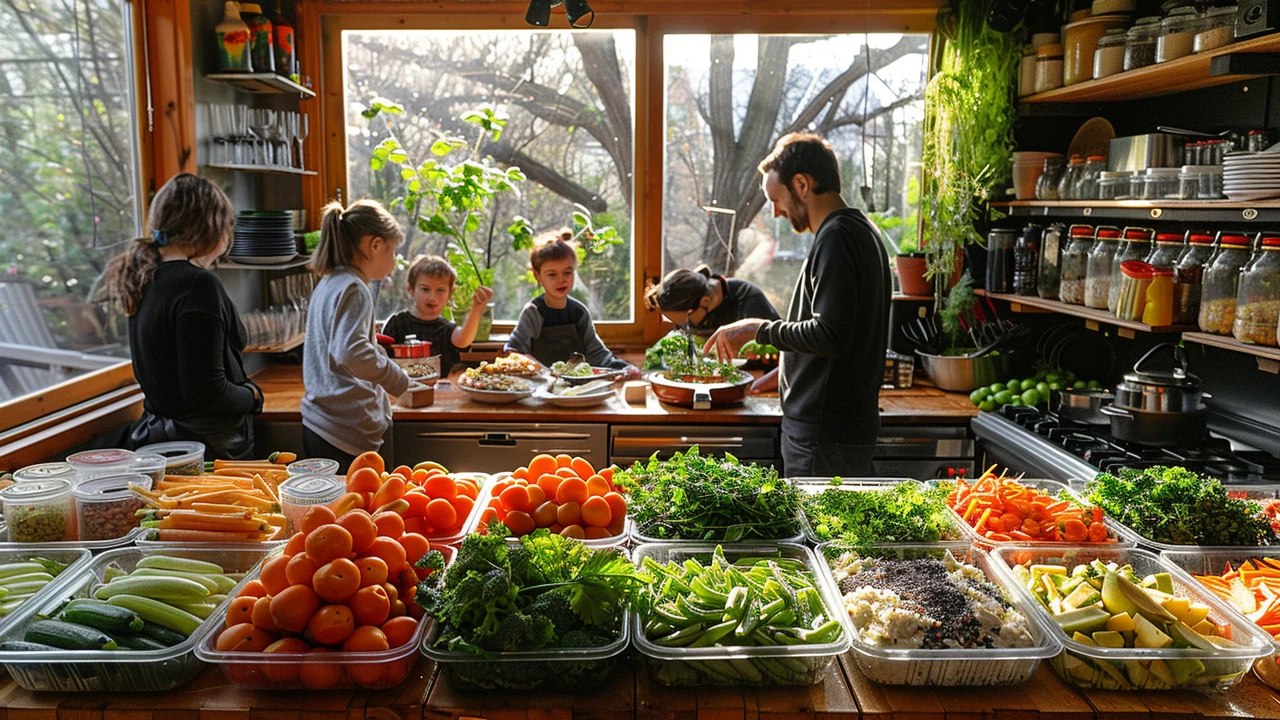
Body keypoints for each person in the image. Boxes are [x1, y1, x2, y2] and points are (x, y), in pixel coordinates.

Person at [704, 133, 891, 477]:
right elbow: (840, 336)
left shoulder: (836, 238)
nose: (776, 212)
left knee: (819, 531)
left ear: (802, 184)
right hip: (838, 428)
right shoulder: (860, 231)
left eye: (776, 199)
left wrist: (755, 328)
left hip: (823, 434)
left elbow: (830, 334)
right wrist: (787, 370)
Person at [104, 173, 263, 460]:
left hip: (159, 443)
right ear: (212, 226)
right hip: (205, 450)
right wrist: (251, 396)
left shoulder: (143, 276)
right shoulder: (198, 285)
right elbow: (207, 393)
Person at [302, 199, 411, 472]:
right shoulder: (354, 288)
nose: (394, 261)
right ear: (375, 245)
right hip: (344, 433)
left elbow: (342, 347)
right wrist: (397, 379)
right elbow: (352, 352)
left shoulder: (329, 283)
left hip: (319, 423)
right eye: (393, 251)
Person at [505, 230, 636, 373]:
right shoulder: (534, 312)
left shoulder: (579, 312)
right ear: (538, 276)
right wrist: (545, 373)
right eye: (552, 274)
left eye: (567, 272)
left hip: (577, 388)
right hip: (539, 386)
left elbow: (597, 354)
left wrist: (625, 369)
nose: (561, 280)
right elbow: (514, 351)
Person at [644, 265, 781, 393]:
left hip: (761, 385)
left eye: (686, 319)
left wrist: (751, 389)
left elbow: (791, 359)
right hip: (719, 386)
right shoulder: (689, 300)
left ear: (705, 302)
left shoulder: (749, 299)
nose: (684, 326)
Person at [382, 254, 494, 375]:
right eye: (425, 289)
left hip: (441, 391)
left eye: (440, 290)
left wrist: (476, 309)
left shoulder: (446, 328)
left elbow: (463, 339)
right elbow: (380, 360)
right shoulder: (396, 323)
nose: (432, 297)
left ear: (450, 293)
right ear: (410, 289)